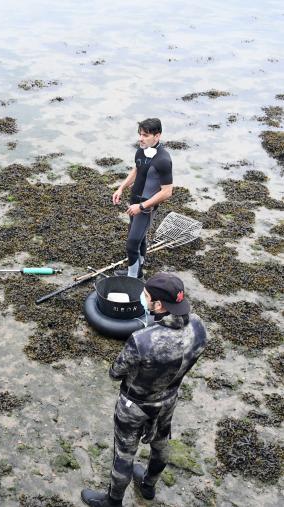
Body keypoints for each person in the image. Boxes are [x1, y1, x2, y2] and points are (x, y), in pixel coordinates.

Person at [81, 273, 207, 507]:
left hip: (135, 405)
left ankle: (113, 501)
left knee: (124, 454)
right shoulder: (199, 327)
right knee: (161, 444)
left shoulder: (142, 339)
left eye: (146, 295)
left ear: (157, 305)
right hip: (169, 399)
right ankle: (148, 485)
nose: (142, 298)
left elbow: (115, 372)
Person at [111, 118, 173, 279]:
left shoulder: (163, 160)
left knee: (132, 244)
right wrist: (121, 188)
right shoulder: (141, 150)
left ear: (157, 136)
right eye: (140, 134)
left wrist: (142, 206)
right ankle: (137, 270)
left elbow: (167, 192)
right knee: (140, 238)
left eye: (145, 135)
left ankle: (134, 278)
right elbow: (137, 170)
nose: (140, 138)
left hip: (145, 208)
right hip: (134, 202)